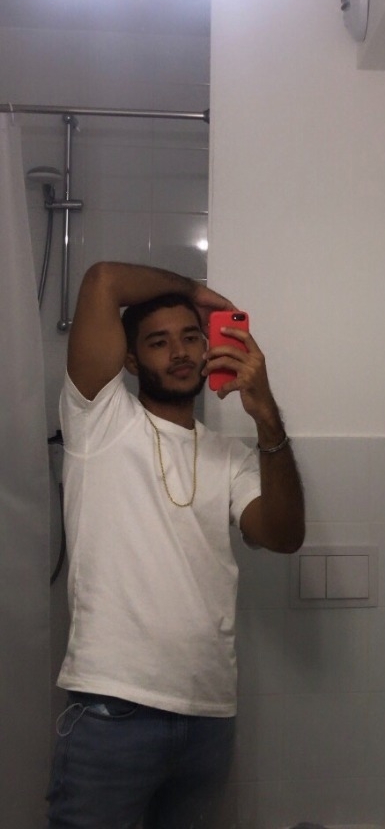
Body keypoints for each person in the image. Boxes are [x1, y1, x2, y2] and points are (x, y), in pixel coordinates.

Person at [46, 261, 305, 829]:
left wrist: (266, 417)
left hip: (207, 719)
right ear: (131, 360)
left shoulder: (231, 457)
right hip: (113, 714)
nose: (181, 351)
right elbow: (102, 281)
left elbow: (284, 536)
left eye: (191, 336)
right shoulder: (100, 419)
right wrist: (193, 292)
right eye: (159, 342)